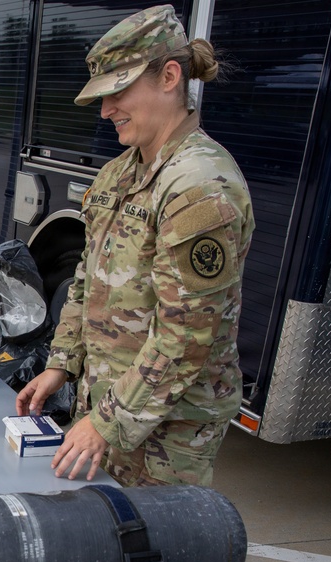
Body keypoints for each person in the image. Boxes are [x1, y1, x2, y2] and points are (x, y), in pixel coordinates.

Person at [15, 5, 254, 488]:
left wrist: (106, 422)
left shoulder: (199, 186)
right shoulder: (118, 172)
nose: (105, 111)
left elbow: (186, 338)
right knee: (109, 535)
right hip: (111, 403)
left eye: (118, 92)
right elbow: (86, 281)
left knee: (159, 545)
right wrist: (62, 364)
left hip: (171, 424)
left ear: (169, 77)